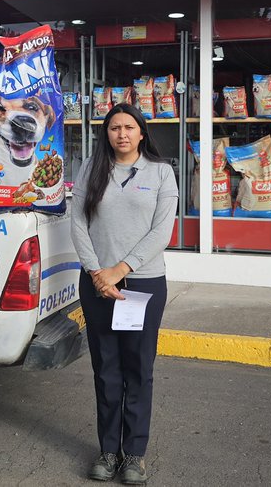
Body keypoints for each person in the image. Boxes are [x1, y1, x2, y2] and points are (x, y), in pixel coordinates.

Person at [70, 102, 179, 485]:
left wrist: (120, 270)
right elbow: (78, 222)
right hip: (97, 283)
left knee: (138, 369)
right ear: (107, 133)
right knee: (106, 370)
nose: (122, 134)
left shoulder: (162, 173)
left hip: (142, 284)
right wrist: (97, 273)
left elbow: (160, 233)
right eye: (114, 127)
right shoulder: (91, 168)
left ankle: (134, 454)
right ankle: (108, 452)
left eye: (129, 127)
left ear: (141, 132)